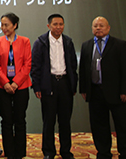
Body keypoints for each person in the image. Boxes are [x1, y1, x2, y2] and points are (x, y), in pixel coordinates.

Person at [79, 16, 126, 159]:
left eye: (101, 25)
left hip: (117, 92)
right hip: (95, 92)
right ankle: (103, 153)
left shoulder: (120, 44)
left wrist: (125, 91)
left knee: (123, 125)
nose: (98, 28)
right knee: (99, 126)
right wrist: (83, 89)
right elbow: (83, 69)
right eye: (95, 26)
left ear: (108, 28)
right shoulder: (86, 45)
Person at [30, 14, 78, 159]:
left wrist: (73, 85)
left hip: (64, 84)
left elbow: (73, 65)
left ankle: (66, 151)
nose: (58, 27)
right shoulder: (41, 42)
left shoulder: (68, 42)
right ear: (49, 26)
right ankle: (49, 152)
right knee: (48, 121)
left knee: (65, 121)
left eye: (61, 24)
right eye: (55, 24)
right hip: (48, 84)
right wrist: (37, 87)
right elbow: (35, 67)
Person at [0, 13, 32, 159]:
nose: (4, 28)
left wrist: (15, 83)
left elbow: (27, 64)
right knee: (7, 120)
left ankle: (19, 153)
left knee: (20, 119)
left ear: (15, 25)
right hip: (3, 87)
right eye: (2, 25)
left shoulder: (24, 41)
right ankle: (9, 152)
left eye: (6, 25)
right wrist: (5, 83)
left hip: (21, 86)